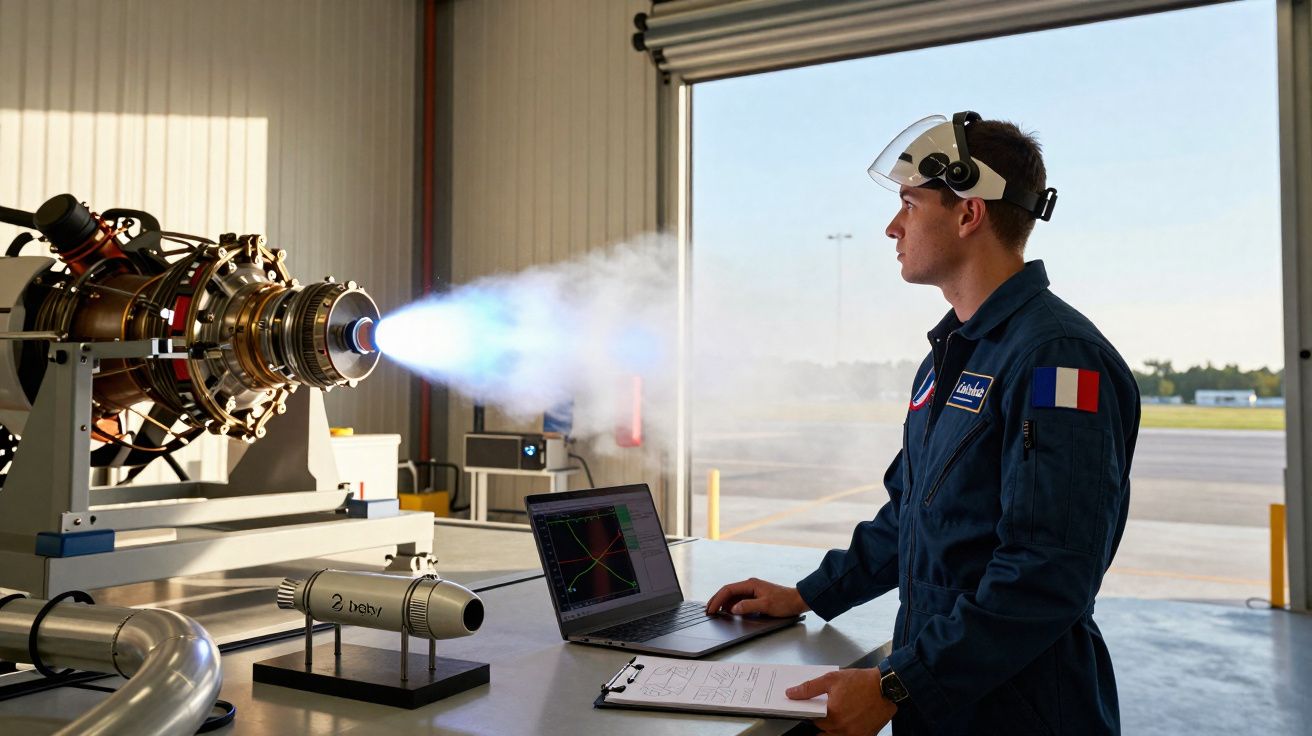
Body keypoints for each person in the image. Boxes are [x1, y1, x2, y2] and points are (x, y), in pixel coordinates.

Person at [705, 112, 1140, 736]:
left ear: (969, 213)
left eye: (909, 203)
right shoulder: (954, 358)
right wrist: (807, 595)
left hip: (1021, 711)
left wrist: (896, 684)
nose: (892, 226)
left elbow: (1049, 573)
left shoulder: (1056, 359)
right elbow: (911, 516)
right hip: (946, 701)